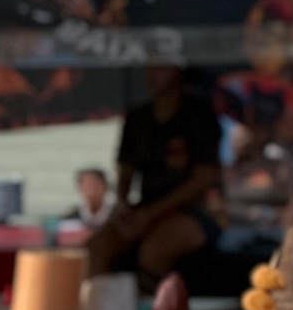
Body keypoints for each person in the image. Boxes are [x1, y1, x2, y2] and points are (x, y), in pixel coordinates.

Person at [87, 63, 223, 290]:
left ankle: (157, 308)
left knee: (154, 252)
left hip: (197, 211)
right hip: (144, 207)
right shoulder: (138, 118)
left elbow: (203, 179)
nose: (151, 74)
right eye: (149, 67)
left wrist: (152, 214)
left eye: (161, 67)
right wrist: (122, 204)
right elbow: (126, 169)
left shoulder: (199, 115)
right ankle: (97, 306)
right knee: (95, 248)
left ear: (177, 70)